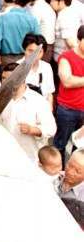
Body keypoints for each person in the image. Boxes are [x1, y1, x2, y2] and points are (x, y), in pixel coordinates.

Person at [0, 62, 56, 160]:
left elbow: (51, 128)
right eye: (3, 78)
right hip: (5, 154)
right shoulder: (0, 99)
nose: (5, 82)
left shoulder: (38, 101)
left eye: (9, 78)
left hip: (29, 157)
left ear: (22, 79)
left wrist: (32, 130)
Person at [54, 24, 84, 161]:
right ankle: (57, 172)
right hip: (68, 109)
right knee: (60, 144)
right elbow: (67, 81)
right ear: (79, 39)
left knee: (80, 148)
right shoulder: (66, 57)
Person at [0, 0, 39, 64]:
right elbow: (37, 41)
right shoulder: (32, 20)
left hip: (6, 58)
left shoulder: (2, 18)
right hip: (26, 58)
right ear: (29, 2)